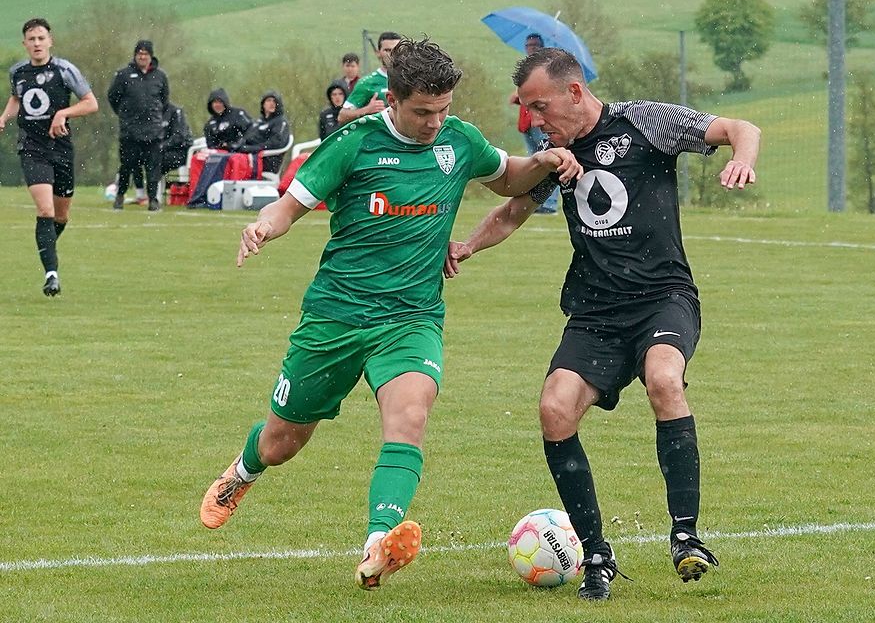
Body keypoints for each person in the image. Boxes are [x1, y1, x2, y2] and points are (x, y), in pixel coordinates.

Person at [199, 37, 582, 591]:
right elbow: (290, 206)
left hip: (411, 317)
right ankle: (241, 473)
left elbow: (508, 177)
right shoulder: (352, 144)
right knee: (283, 441)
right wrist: (262, 227)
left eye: (444, 109)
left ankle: (378, 543)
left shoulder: (460, 141)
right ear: (392, 101)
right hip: (336, 316)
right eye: (423, 112)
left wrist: (543, 160)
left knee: (410, 418)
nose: (434, 123)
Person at [444, 47, 761, 601]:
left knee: (664, 379)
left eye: (540, 106)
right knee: (554, 408)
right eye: (526, 110)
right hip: (595, 311)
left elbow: (739, 126)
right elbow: (515, 208)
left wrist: (743, 157)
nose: (535, 121)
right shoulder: (555, 155)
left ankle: (685, 536)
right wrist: (469, 244)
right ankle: (595, 554)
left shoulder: (645, 121)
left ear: (574, 91)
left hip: (662, 297)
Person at [0, 18, 98, 297]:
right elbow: (16, 98)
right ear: (24, 44)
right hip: (32, 148)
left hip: (61, 148)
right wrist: (5, 117)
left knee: (61, 215)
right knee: (45, 210)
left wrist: (63, 113)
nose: (37, 44)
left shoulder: (65, 70)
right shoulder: (17, 71)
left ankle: (46, 248)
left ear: (50, 41)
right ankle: (51, 274)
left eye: (41, 38)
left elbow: (91, 103)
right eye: (31, 39)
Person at [108, 40, 169, 211]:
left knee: (153, 168)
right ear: (135, 55)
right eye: (139, 53)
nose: (142, 57)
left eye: (146, 54)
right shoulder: (124, 75)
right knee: (127, 166)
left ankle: (153, 200)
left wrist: (153, 117)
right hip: (130, 131)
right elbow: (113, 97)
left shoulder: (160, 76)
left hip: (153, 131)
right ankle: (120, 196)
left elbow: (164, 101)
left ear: (151, 56)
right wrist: (126, 116)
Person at [509, 33, 558, 214]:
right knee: (535, 162)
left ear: (541, 46)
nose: (531, 48)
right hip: (526, 122)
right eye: (528, 45)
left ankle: (549, 203)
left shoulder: (546, 69)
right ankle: (538, 201)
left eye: (535, 45)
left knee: (549, 161)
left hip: (540, 122)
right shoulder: (527, 70)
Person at [338, 31, 401, 125]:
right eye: (387, 50)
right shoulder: (367, 82)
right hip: (380, 137)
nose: (392, 54)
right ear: (378, 53)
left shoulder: (412, 80)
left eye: (396, 50)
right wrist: (367, 109)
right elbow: (342, 117)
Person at [231, 90, 290, 174]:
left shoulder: (280, 122)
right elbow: (248, 138)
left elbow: (276, 143)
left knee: (235, 160)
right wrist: (237, 146)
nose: (272, 103)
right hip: (250, 155)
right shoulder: (259, 122)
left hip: (268, 159)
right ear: (263, 104)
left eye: (274, 101)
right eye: (269, 100)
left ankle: (232, 184)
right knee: (225, 157)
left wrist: (251, 149)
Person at [159, 101, 192, 174]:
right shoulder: (153, 112)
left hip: (182, 151)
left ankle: (154, 184)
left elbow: (179, 137)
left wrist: (161, 146)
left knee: (156, 159)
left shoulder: (176, 111)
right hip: (164, 150)